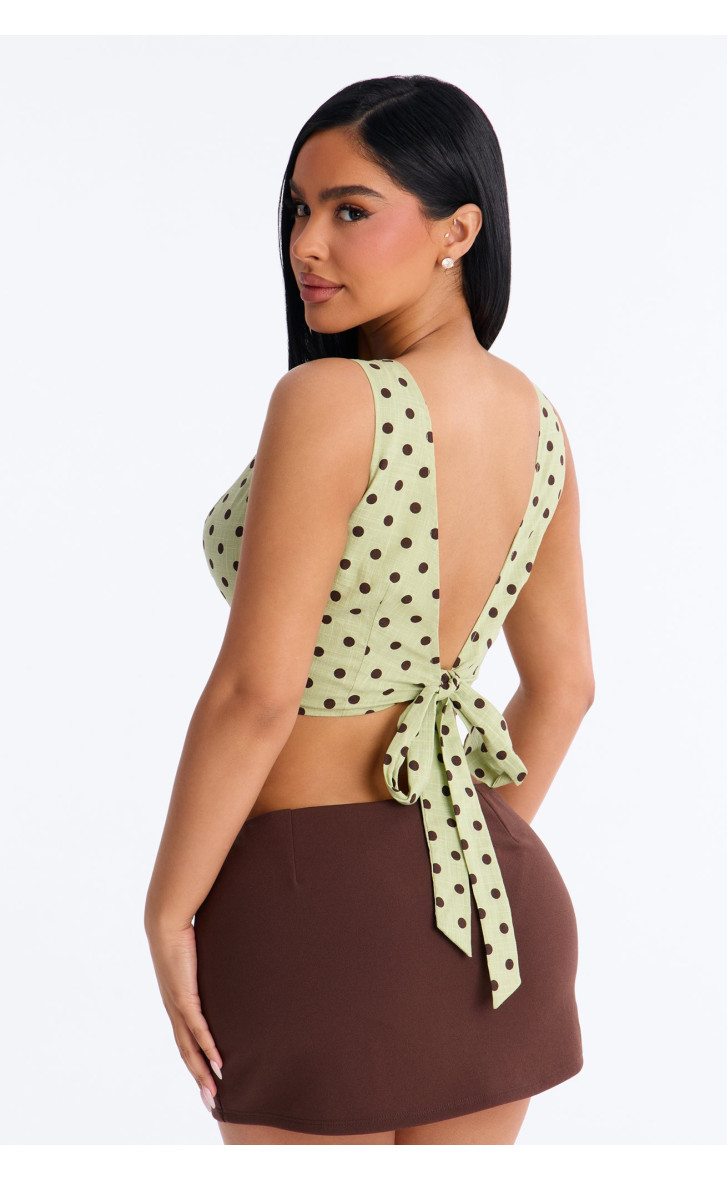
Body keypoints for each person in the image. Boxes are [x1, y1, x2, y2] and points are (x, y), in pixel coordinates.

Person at [144, 74, 594, 1146]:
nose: (307, 243)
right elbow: (566, 687)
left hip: (308, 911)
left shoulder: (329, 400)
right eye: (299, 209)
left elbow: (258, 694)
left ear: (457, 231)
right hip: (493, 909)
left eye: (350, 210)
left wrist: (167, 907)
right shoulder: (537, 421)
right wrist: (449, 859)